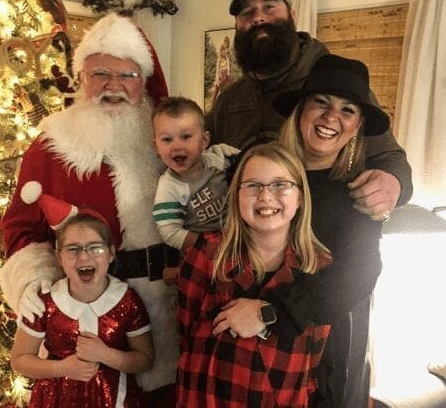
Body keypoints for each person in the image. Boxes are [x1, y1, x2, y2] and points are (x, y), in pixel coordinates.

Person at [0, 12, 178, 403]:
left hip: (166, 305)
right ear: (81, 77)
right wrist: (32, 283)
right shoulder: (51, 144)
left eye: (127, 76)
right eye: (100, 74)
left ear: (142, 81)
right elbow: (21, 227)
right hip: (82, 309)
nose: (113, 86)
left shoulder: (166, 136)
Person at [215, 54, 390, 407]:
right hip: (239, 330)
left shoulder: (358, 194)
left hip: (318, 345)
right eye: (321, 103)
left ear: (356, 126)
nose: (331, 118)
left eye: (347, 110)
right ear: (300, 110)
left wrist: (269, 311)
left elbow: (359, 274)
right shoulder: (257, 165)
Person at [205, 0, 412, 221]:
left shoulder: (336, 83)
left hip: (322, 231)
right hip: (247, 238)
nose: (258, 17)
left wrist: (393, 183)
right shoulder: (229, 98)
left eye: (269, 7)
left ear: (292, 16)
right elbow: (199, 153)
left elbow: (390, 157)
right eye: (247, 13)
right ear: (238, 26)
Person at [177, 142, 333, 407]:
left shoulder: (319, 266)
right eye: (253, 185)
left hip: (282, 395)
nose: (265, 196)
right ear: (237, 195)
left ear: (300, 198)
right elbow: (185, 330)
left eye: (280, 185)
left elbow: (315, 351)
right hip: (210, 397)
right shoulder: (207, 253)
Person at [10, 183, 154, 407]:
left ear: (111, 254)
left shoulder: (126, 300)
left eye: (95, 248)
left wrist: (106, 354)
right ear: (59, 257)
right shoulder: (46, 301)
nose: (84, 258)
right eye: (73, 249)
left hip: (113, 399)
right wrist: (63, 368)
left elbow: (144, 360)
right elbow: (20, 360)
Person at [152, 96, 238, 284]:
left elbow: (250, 168)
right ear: (156, 147)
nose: (176, 146)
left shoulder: (220, 158)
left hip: (238, 240)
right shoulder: (169, 187)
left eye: (186, 137)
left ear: (204, 140)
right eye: (167, 139)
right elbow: (170, 232)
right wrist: (207, 246)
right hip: (202, 255)